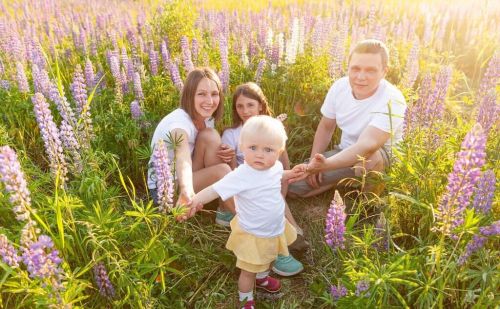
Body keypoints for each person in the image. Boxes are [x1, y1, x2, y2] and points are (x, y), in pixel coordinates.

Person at [181, 116, 307, 309]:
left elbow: (277, 175)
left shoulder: (276, 166)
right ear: (242, 146)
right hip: (253, 232)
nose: (260, 155)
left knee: (269, 256)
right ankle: (245, 299)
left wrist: (290, 174)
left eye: (268, 150)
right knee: (248, 270)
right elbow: (215, 189)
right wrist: (194, 200)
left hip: (274, 227)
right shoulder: (241, 175)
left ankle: (262, 278)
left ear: (279, 152)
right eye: (253, 148)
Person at [289, 39, 407, 197]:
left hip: (379, 159)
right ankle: (345, 180)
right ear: (348, 67)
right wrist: (314, 163)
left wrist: (326, 166)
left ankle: (367, 207)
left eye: (370, 70)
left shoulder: (393, 99)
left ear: (384, 72)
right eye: (355, 68)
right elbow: (326, 127)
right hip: (344, 152)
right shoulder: (340, 87)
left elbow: (368, 145)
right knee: (293, 186)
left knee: (369, 160)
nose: (361, 76)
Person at [220, 82, 307, 277]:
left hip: (270, 181)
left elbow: (282, 162)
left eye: (250, 105)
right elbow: (231, 172)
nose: (245, 111)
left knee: (274, 192)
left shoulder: (270, 127)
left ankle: (290, 232)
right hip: (246, 187)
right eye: (240, 106)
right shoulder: (231, 134)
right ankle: (284, 245)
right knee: (267, 198)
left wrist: (282, 183)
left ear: (260, 105)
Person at [147, 67, 236, 224]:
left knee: (210, 135)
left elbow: (202, 149)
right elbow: (183, 156)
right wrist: (186, 190)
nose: (209, 101)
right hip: (166, 192)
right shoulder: (179, 122)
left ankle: (225, 210)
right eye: (201, 94)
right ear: (190, 95)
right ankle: (252, 223)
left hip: (183, 180)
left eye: (214, 94)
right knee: (222, 171)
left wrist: (225, 151)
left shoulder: (206, 118)